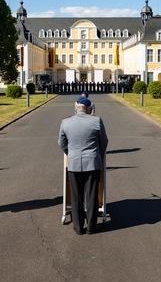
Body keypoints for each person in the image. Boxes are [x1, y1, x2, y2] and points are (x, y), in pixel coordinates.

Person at [58, 96, 108, 235]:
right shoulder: (96, 120)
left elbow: (61, 143)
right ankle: (91, 226)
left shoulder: (66, 122)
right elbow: (104, 141)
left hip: (74, 162)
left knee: (76, 195)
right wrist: (99, 154)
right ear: (88, 108)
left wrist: (71, 152)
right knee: (92, 195)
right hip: (92, 162)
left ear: (76, 108)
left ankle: (78, 227)